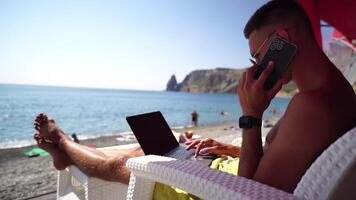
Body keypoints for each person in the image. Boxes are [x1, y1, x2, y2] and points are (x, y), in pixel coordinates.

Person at [33, 0, 356, 195]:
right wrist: (229, 147)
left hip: (222, 190)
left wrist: (250, 116)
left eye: (257, 56)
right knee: (156, 147)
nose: (256, 67)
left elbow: (251, 194)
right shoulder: (337, 91)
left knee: (126, 162)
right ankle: (70, 155)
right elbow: (288, 154)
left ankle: (62, 142)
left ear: (281, 40)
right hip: (231, 169)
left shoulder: (311, 105)